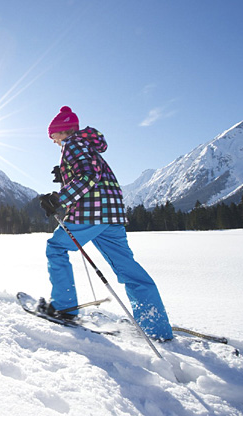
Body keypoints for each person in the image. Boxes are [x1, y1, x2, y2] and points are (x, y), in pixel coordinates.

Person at [39, 106, 173, 341]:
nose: (53, 140)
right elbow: (92, 171)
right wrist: (65, 174)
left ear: (62, 131)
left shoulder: (72, 144)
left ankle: (64, 307)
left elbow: (89, 176)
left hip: (91, 213)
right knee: (127, 267)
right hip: (112, 214)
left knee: (56, 247)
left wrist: (60, 198)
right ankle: (154, 325)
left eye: (54, 135)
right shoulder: (87, 144)